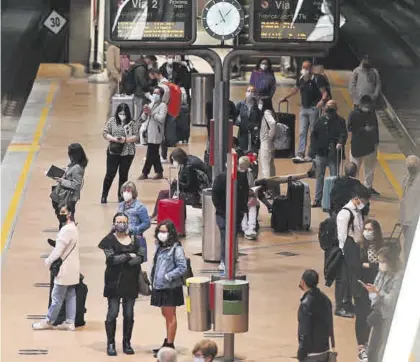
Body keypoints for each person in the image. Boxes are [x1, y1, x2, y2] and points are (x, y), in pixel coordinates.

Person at [98, 212, 143, 356]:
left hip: (131, 282)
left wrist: (125, 259)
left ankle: (126, 342)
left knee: (129, 314)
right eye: (119, 221)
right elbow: (111, 259)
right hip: (113, 282)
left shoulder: (135, 239)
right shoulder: (108, 240)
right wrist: (129, 256)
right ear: (114, 223)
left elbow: (141, 257)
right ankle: (110, 343)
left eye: (124, 222)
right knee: (113, 313)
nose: (121, 224)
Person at [336, 186, 371, 362]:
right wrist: (347, 255)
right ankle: (345, 302)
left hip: (357, 249)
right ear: (357, 198)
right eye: (363, 200)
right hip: (349, 253)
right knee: (348, 279)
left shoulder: (358, 212)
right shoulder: (345, 213)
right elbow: (342, 237)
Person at [33, 203, 80, 331]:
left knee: (57, 297)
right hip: (73, 267)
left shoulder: (66, 230)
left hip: (64, 269)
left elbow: (58, 251)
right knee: (71, 294)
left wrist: (48, 261)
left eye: (64, 212)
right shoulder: (73, 228)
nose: (61, 215)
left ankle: (48, 320)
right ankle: (70, 321)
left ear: (70, 213)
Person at [150, 220, 187, 357]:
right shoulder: (159, 246)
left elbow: (182, 267)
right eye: (160, 231)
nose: (161, 234)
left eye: (164, 231)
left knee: (170, 316)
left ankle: (170, 344)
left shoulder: (176, 249)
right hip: (159, 286)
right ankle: (167, 341)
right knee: (166, 315)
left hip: (170, 287)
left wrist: (168, 276)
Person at [280, 60, 329, 162]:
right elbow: (295, 89)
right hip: (303, 108)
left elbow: (324, 93)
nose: (304, 70)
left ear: (311, 68)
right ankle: (300, 154)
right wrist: (286, 97)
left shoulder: (317, 79)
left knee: (313, 132)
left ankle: (311, 154)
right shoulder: (301, 79)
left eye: (306, 68)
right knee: (302, 132)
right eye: (303, 67)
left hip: (313, 109)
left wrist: (322, 101)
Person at [364, 246, 403, 362]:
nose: (380, 264)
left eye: (382, 261)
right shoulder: (381, 273)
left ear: (390, 261)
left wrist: (378, 292)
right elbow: (374, 291)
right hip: (378, 311)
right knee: (373, 343)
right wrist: (373, 292)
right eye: (379, 261)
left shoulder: (398, 276)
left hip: (389, 316)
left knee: (384, 344)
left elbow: (391, 300)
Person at [150, 148, 210, 222]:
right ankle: (156, 214)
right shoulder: (187, 161)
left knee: (169, 194)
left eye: (174, 160)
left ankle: (158, 215)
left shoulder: (189, 166)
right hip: (193, 191)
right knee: (163, 193)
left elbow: (190, 186)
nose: (174, 162)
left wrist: (177, 183)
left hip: (195, 195)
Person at [309, 100, 347, 208]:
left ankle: (333, 200)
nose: (328, 112)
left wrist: (340, 143)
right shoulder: (320, 121)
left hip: (334, 155)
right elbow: (313, 136)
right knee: (319, 177)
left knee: (334, 178)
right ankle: (317, 199)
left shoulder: (340, 121)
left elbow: (343, 134)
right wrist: (312, 153)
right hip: (321, 153)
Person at [212, 164, 249, 272]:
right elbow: (215, 196)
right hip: (223, 214)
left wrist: (241, 210)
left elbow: (245, 194)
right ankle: (224, 260)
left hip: (236, 214)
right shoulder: (221, 178)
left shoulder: (242, 177)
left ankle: (228, 259)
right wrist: (222, 210)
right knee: (226, 237)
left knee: (231, 237)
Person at [102, 103, 139, 204]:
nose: (122, 115)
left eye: (124, 113)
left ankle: (121, 196)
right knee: (110, 173)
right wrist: (114, 139)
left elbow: (136, 136)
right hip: (113, 152)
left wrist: (126, 140)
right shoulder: (112, 121)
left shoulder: (132, 123)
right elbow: (105, 133)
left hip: (127, 152)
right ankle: (104, 195)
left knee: (123, 175)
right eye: (120, 113)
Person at [297, 270, 334, 362]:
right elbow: (330, 324)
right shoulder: (326, 299)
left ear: (303, 282)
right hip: (325, 349)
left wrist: (301, 353)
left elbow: (304, 331)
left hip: (311, 353)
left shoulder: (305, 304)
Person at [348, 95, 380, 196]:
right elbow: (375, 131)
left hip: (358, 147)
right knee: (368, 170)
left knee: (356, 169)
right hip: (367, 148)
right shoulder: (371, 114)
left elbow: (349, 129)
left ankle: (355, 189)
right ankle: (366, 189)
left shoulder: (353, 114)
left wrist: (351, 142)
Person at [50, 143, 88, 227]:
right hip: (67, 194)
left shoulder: (77, 167)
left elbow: (76, 184)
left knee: (65, 217)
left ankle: (65, 236)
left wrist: (62, 181)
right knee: (66, 216)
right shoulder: (74, 163)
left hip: (69, 196)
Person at [138, 87, 167, 180]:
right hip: (149, 132)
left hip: (157, 133)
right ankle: (159, 172)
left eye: (157, 93)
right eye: (154, 92)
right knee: (154, 153)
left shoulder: (163, 106)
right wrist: (145, 112)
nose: (155, 94)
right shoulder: (151, 104)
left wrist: (152, 113)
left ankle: (145, 173)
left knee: (151, 153)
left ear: (161, 95)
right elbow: (143, 118)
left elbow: (161, 119)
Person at [118, 181, 151, 261]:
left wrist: (134, 230)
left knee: (133, 262)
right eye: (124, 191)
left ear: (133, 192)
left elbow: (147, 223)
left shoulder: (140, 207)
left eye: (128, 191)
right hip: (121, 238)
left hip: (134, 239)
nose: (125, 193)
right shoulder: (121, 205)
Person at [399, 155, 420, 262]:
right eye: (408, 165)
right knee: (407, 244)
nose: (410, 167)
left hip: (415, 220)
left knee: (411, 245)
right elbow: (403, 199)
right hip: (406, 220)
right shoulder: (405, 179)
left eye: (412, 165)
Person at [238, 156, 259, 240]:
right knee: (243, 208)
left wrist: (253, 192)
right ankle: (245, 228)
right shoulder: (236, 173)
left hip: (248, 196)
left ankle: (252, 228)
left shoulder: (249, 173)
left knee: (253, 205)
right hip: (239, 197)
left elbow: (252, 185)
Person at [235, 86, 261, 151]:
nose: (250, 93)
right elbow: (233, 116)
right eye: (248, 91)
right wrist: (238, 123)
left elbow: (261, 119)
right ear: (245, 93)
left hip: (254, 135)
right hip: (242, 134)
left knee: (253, 154)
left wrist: (257, 126)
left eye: (252, 92)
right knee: (242, 153)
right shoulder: (240, 105)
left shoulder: (258, 106)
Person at [258, 97, 277, 179]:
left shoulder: (266, 113)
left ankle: (267, 188)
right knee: (271, 167)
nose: (260, 105)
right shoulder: (272, 112)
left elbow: (273, 123)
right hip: (270, 144)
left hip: (265, 143)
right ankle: (273, 187)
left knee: (265, 168)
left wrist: (270, 134)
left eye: (261, 103)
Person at [130, 56, 149, 123]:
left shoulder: (138, 66)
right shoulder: (141, 68)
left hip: (137, 91)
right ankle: (137, 129)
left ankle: (137, 127)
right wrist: (148, 85)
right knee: (139, 113)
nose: (149, 63)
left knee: (138, 112)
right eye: (150, 61)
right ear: (147, 59)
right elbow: (142, 82)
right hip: (139, 93)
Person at [106, 42, 121, 117]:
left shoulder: (120, 47)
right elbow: (111, 66)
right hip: (114, 79)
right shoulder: (112, 48)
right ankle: (110, 120)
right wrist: (118, 77)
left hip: (120, 79)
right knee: (112, 100)